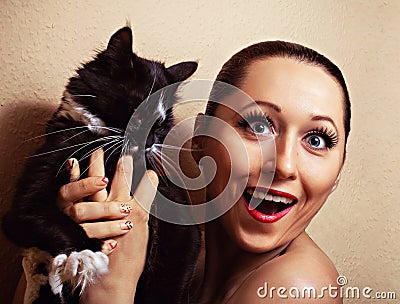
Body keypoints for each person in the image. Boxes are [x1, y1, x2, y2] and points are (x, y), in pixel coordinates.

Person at [13, 40, 350, 303]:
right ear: (199, 139)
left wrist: (111, 288)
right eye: (256, 125)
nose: (285, 165)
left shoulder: (298, 289)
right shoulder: (171, 235)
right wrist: (55, 249)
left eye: (318, 138)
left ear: (338, 174)